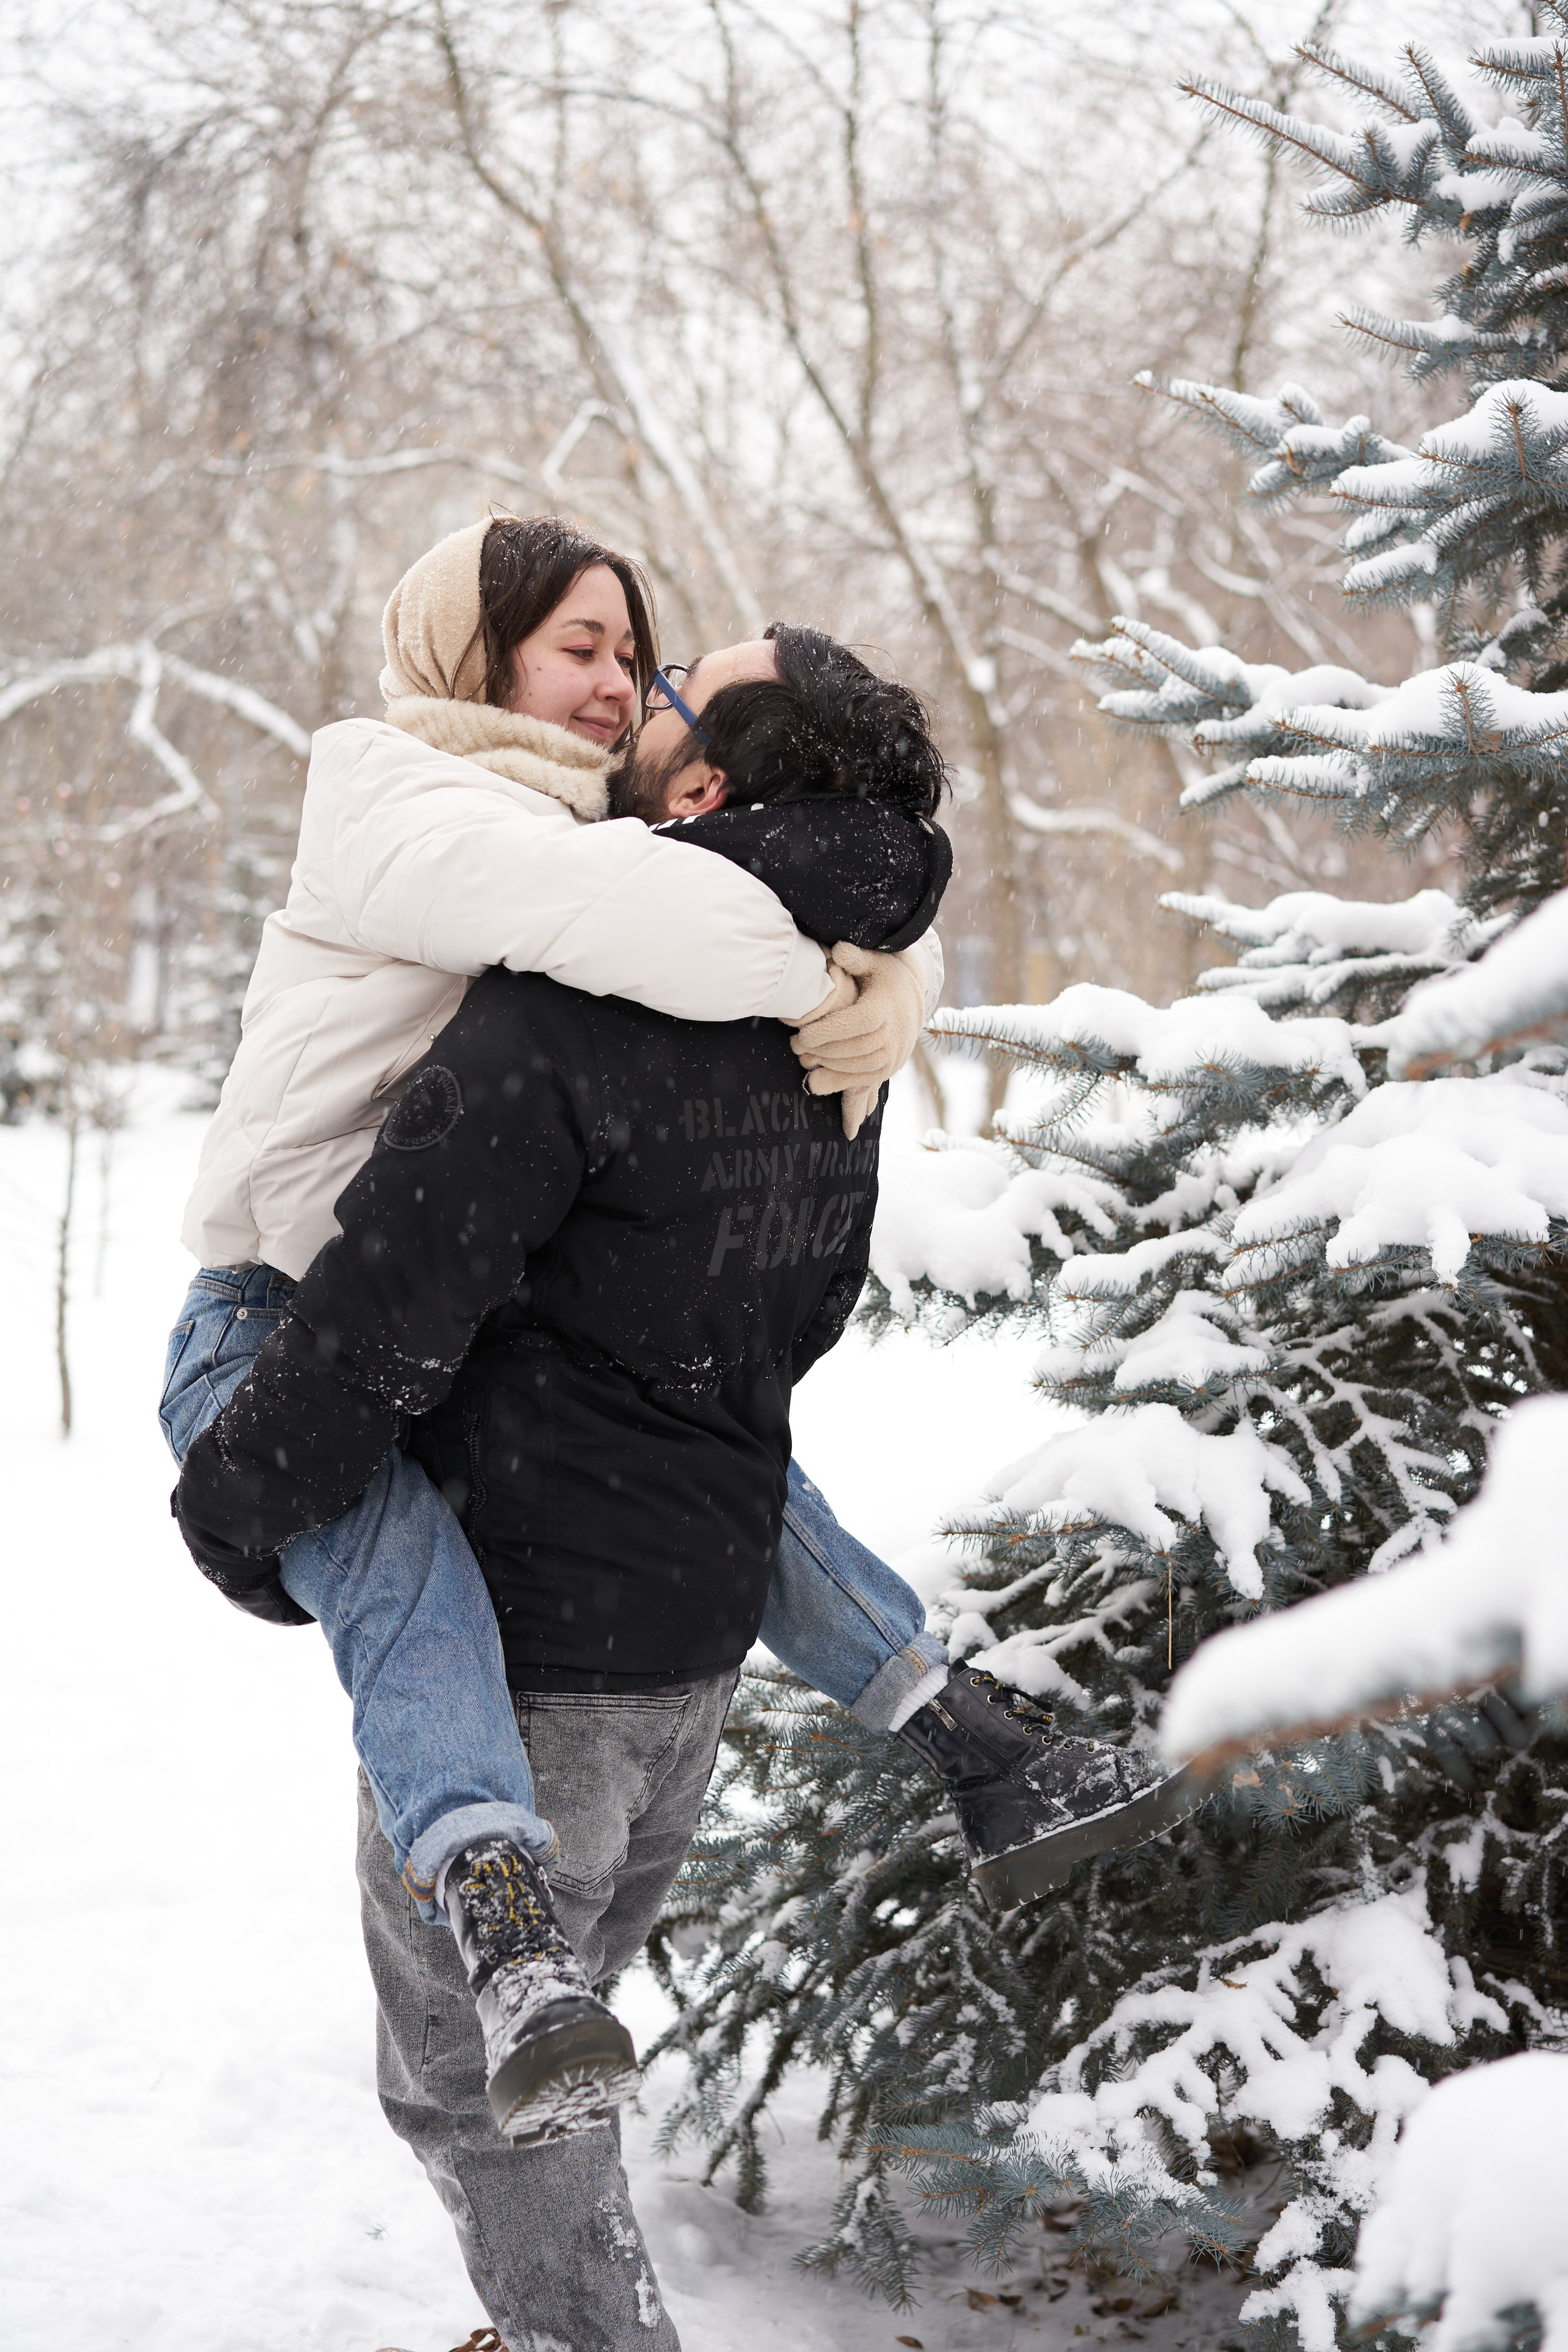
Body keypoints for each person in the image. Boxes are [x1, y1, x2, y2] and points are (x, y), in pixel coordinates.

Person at [165, 519, 1189, 2124]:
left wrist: (891, 961)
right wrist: (863, 974)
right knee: (408, 1590)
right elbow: (692, 913)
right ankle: (505, 1927)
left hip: (423, 1321)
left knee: (742, 1482)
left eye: (635, 657)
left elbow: (737, 877)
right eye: (577, 647)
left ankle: (972, 1740)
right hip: (281, 1324)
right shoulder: (397, 801)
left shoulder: (599, 827)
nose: (614, 683)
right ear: (473, 657)